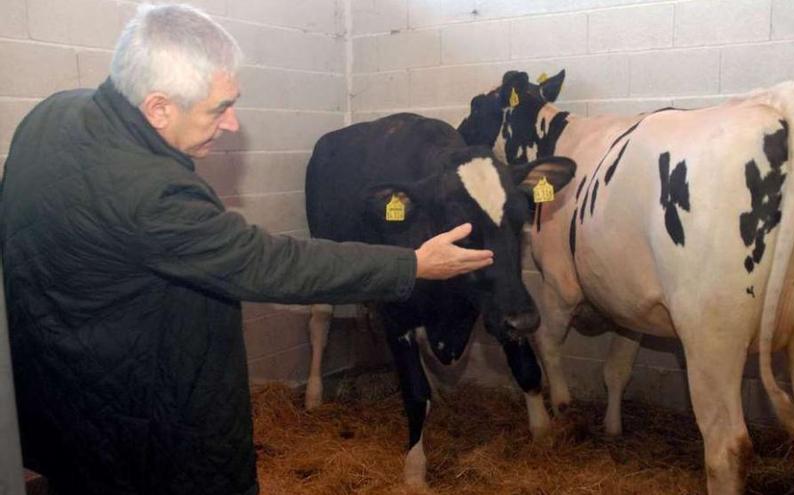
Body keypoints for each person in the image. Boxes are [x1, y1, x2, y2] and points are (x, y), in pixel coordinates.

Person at [0, 4, 492, 495]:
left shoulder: (52, 114)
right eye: (218, 108)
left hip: (52, 408)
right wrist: (412, 264)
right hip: (139, 421)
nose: (232, 124)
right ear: (158, 108)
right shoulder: (151, 193)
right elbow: (269, 263)